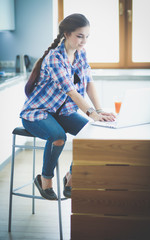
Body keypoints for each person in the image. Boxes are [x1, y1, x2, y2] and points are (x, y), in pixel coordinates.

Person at [20, 13, 115, 200]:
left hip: (62, 112)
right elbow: (71, 91)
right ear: (66, 34)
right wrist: (91, 113)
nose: (84, 41)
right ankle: (44, 179)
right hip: (37, 113)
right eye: (80, 36)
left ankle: (71, 177)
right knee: (58, 136)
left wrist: (100, 111)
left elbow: (88, 82)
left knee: (92, 133)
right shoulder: (55, 58)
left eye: (87, 36)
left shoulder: (81, 54)